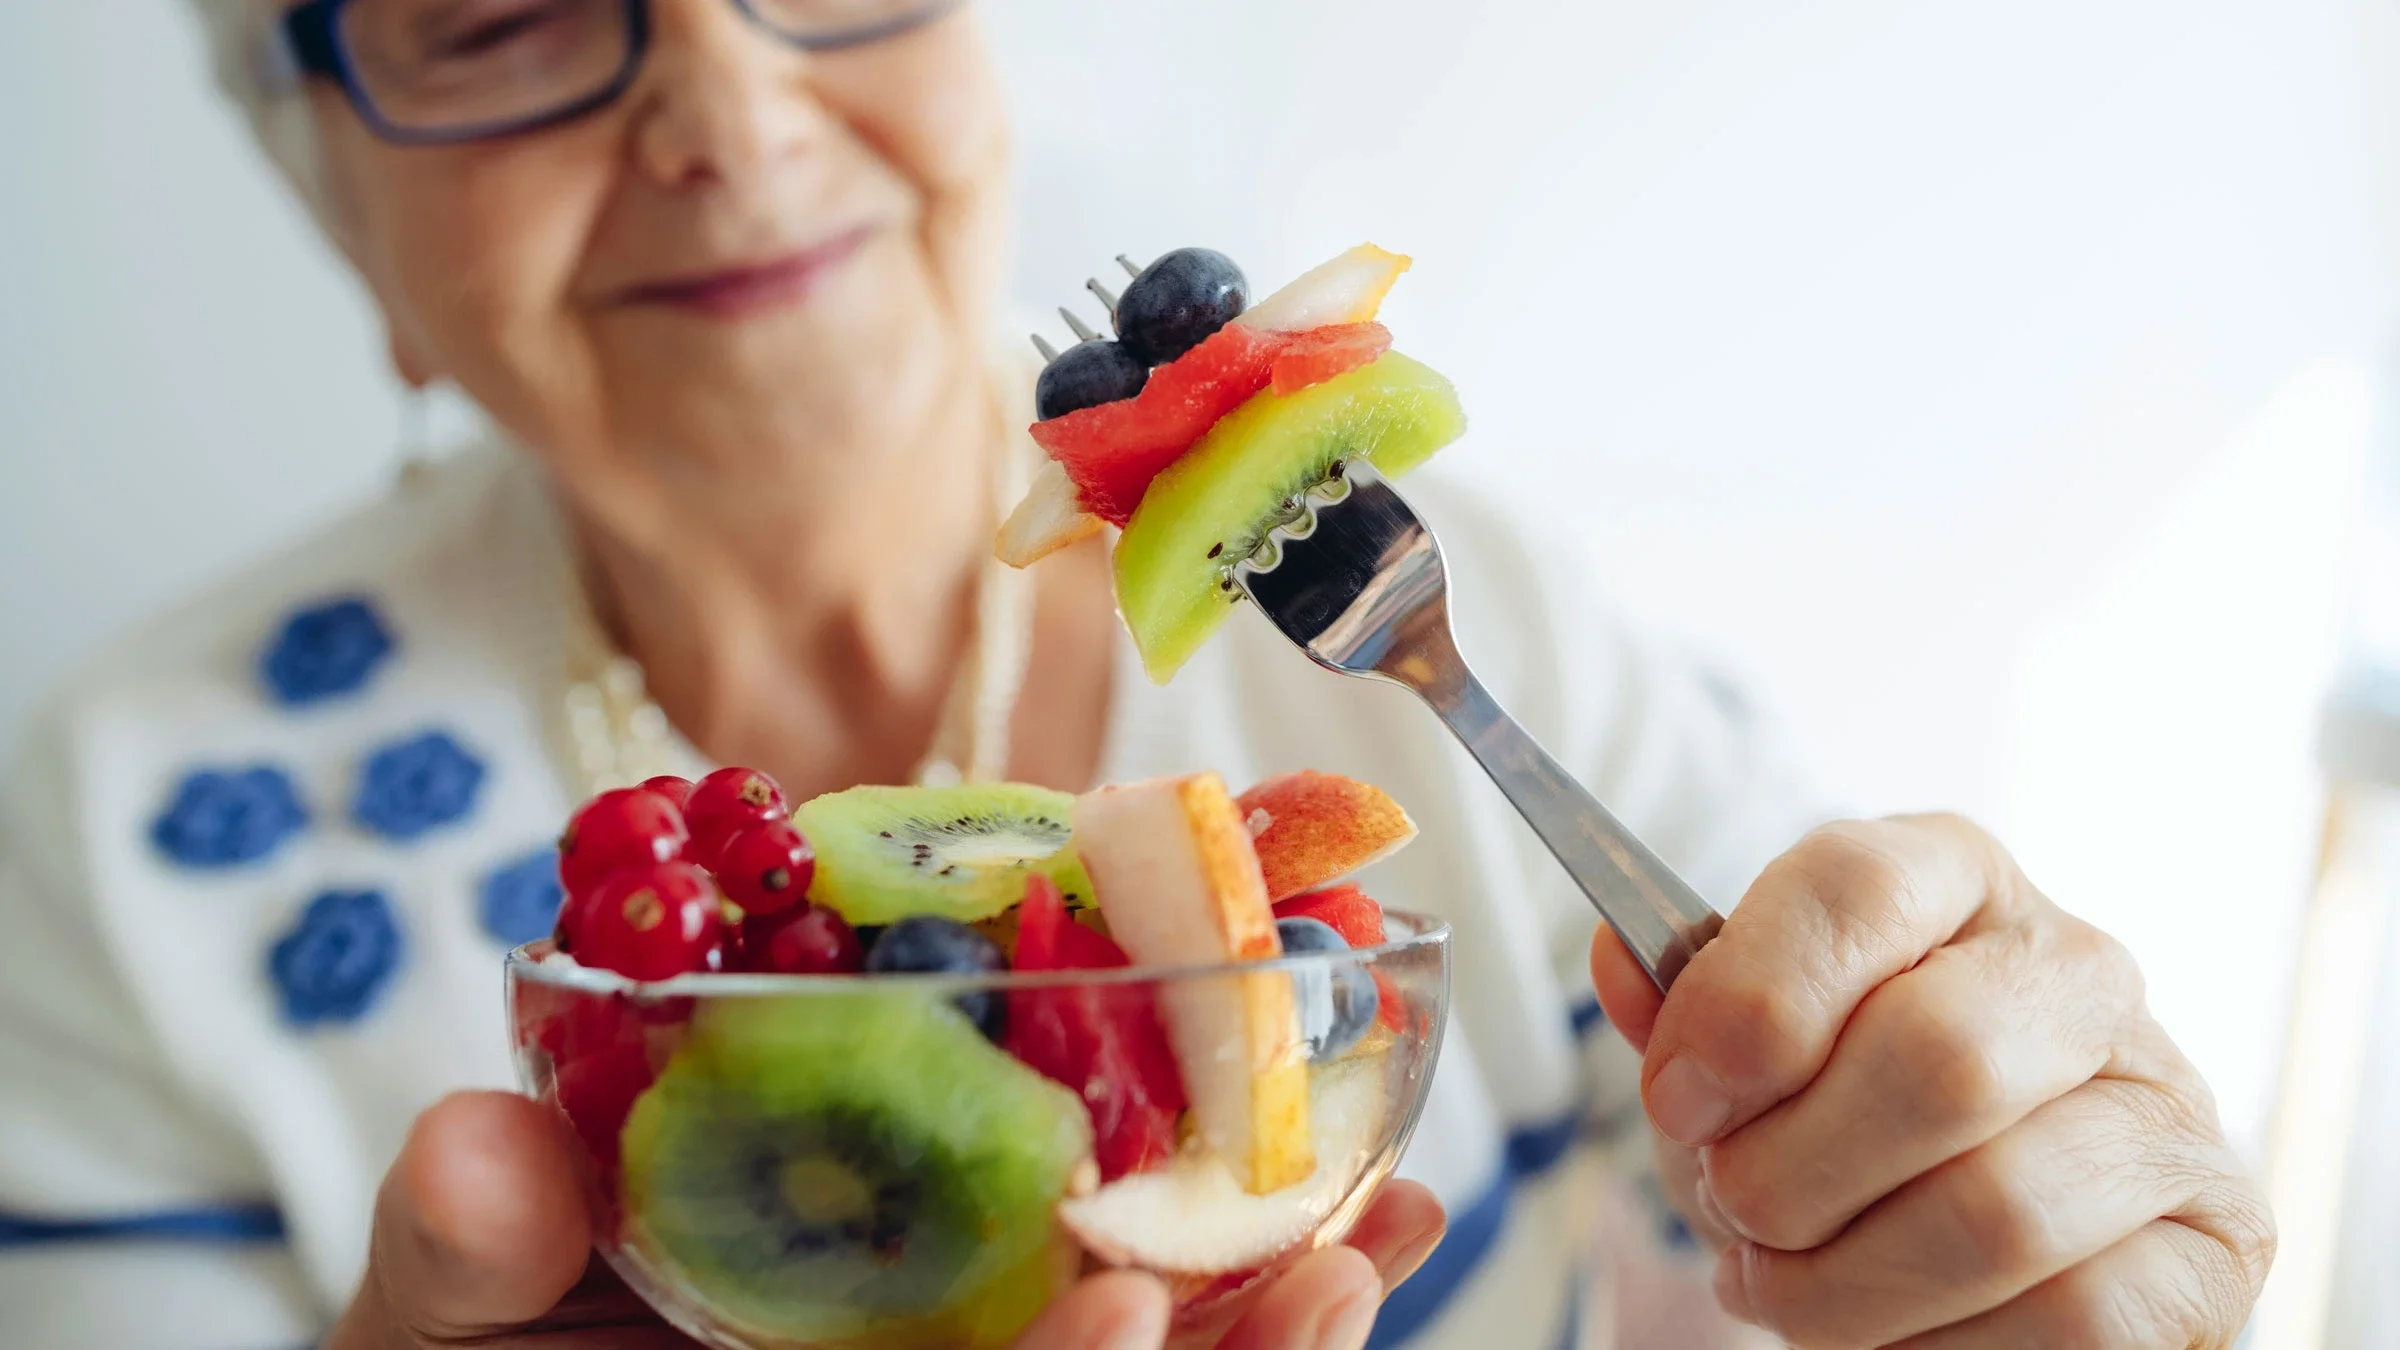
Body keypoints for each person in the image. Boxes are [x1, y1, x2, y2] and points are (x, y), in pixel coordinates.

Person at [0, 1, 2273, 1346]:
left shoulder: (1441, 637)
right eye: (494, 3)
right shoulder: (132, 841)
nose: (723, 101)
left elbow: (1777, 1239)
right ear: (335, 205)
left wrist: (1997, 1210)